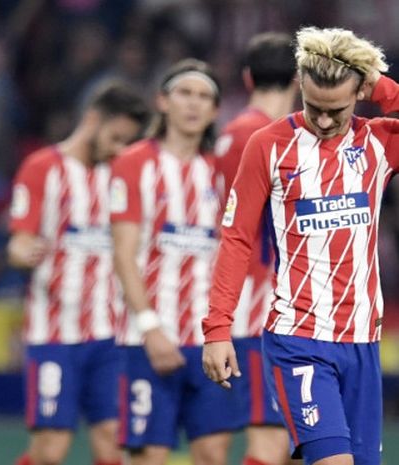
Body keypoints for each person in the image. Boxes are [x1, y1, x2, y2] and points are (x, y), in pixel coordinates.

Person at [202, 26, 396, 465]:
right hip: (298, 338)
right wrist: (217, 328)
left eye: (337, 110)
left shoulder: (379, 142)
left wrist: (381, 86)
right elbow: (235, 238)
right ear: (298, 88)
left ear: (359, 94)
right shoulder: (267, 145)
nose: (324, 121)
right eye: (314, 108)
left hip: (363, 342)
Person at [8, 82, 149, 465]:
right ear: (91, 119)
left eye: (128, 142)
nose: (120, 149)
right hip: (54, 333)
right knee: (50, 450)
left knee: (111, 443)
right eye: (116, 137)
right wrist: (24, 252)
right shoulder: (42, 168)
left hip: (110, 335)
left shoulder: (122, 177)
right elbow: (19, 240)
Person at [111, 58, 240, 465]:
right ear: (162, 101)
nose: (194, 104)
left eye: (205, 97)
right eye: (185, 93)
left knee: (214, 455)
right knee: (149, 457)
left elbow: (230, 254)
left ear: (216, 111)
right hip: (146, 340)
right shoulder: (134, 163)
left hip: (207, 341)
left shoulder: (221, 172)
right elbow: (124, 254)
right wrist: (151, 330)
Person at [213, 33, 298, 465]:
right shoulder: (276, 138)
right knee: (270, 445)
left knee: (290, 445)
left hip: (244, 306)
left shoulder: (231, 134)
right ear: (300, 78)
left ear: (247, 78)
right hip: (268, 310)